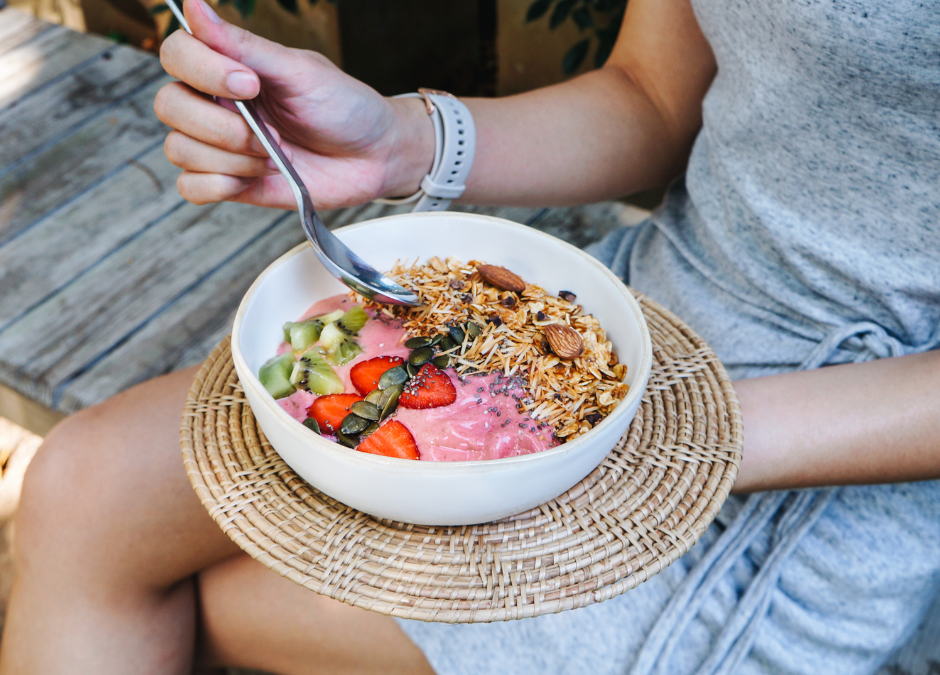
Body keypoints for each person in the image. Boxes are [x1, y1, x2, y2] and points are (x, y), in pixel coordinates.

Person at [2, 0, 938, 673]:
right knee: (81, 483)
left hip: (825, 457)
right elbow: (653, 95)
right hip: (629, 311)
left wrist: (655, 437)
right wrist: (399, 143)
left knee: (191, 604)